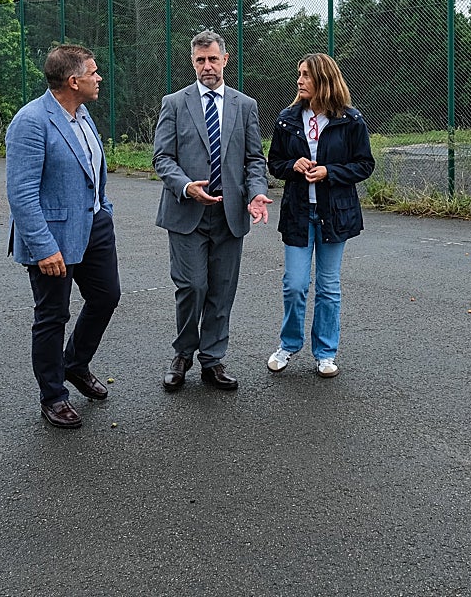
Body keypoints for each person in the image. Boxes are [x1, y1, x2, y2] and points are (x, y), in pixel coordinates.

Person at [5, 44, 121, 429]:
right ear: (74, 81)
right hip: (52, 238)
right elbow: (21, 192)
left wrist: (103, 207)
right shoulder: (31, 121)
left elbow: (92, 170)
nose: (99, 77)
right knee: (52, 316)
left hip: (94, 226)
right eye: (93, 72)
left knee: (106, 296)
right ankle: (53, 395)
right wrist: (42, 247)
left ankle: (75, 363)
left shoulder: (82, 114)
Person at [153, 30, 272, 392]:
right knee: (192, 286)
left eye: (213, 59)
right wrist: (186, 186)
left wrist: (257, 193)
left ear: (225, 59)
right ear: (193, 62)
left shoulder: (245, 105)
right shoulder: (174, 103)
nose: (207, 66)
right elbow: (162, 157)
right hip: (187, 212)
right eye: (200, 60)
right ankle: (183, 354)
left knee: (222, 289)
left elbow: (254, 159)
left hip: (228, 214)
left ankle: (213, 359)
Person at [265, 53, 374, 378]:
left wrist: (330, 171)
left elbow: (364, 164)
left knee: (328, 287)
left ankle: (325, 353)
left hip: (334, 214)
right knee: (295, 285)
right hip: (299, 213)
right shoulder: (287, 119)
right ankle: (288, 345)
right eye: (298, 74)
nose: (299, 81)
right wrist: (293, 166)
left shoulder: (350, 120)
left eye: (306, 75)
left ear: (324, 80)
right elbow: (274, 162)